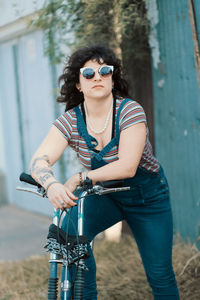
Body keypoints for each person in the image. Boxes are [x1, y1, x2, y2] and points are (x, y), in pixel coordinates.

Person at [30, 44, 180, 299]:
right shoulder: (70, 121)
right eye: (88, 74)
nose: (97, 77)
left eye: (105, 71)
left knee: (160, 273)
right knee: (70, 234)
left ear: (113, 78)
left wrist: (79, 177)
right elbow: (39, 160)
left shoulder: (130, 111)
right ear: (78, 84)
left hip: (147, 199)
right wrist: (52, 185)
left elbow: (127, 166)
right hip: (106, 195)